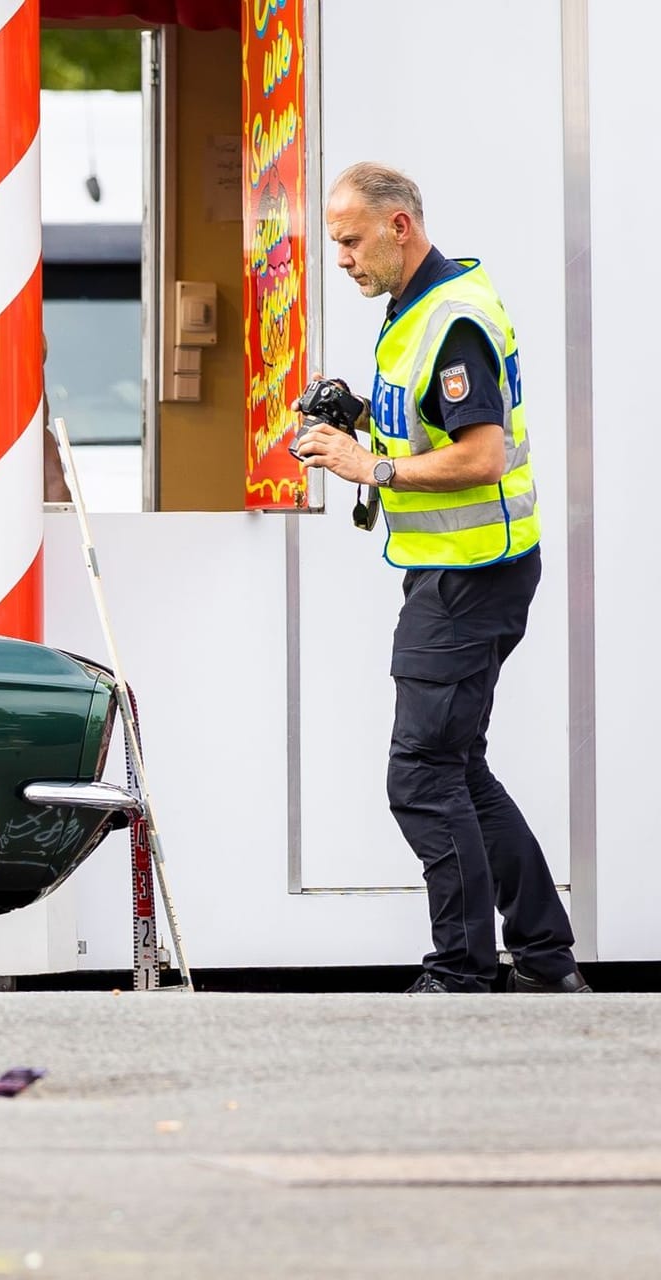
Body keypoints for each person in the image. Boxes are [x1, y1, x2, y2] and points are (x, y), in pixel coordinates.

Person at [298, 162, 588, 995]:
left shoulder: (451, 320)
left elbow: (482, 453)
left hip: (471, 579)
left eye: (352, 241)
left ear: (399, 226)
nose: (343, 259)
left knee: (421, 773)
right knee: (457, 767)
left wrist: (368, 467)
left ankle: (461, 973)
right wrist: (355, 419)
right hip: (460, 574)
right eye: (336, 244)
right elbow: (430, 427)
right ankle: (545, 957)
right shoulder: (417, 306)